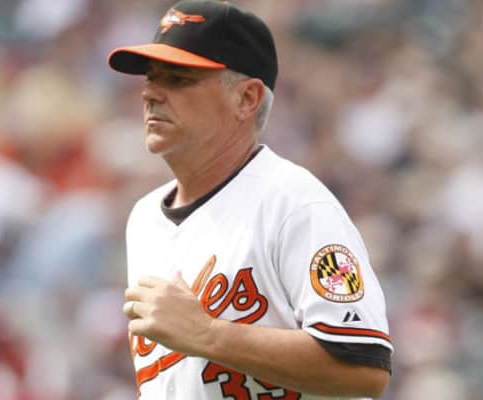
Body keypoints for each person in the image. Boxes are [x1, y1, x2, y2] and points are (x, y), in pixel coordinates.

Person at [108, 1, 392, 398]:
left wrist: (208, 334)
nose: (151, 93)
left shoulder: (295, 203)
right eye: (152, 77)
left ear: (247, 98)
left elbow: (363, 366)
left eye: (178, 79)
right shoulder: (144, 220)